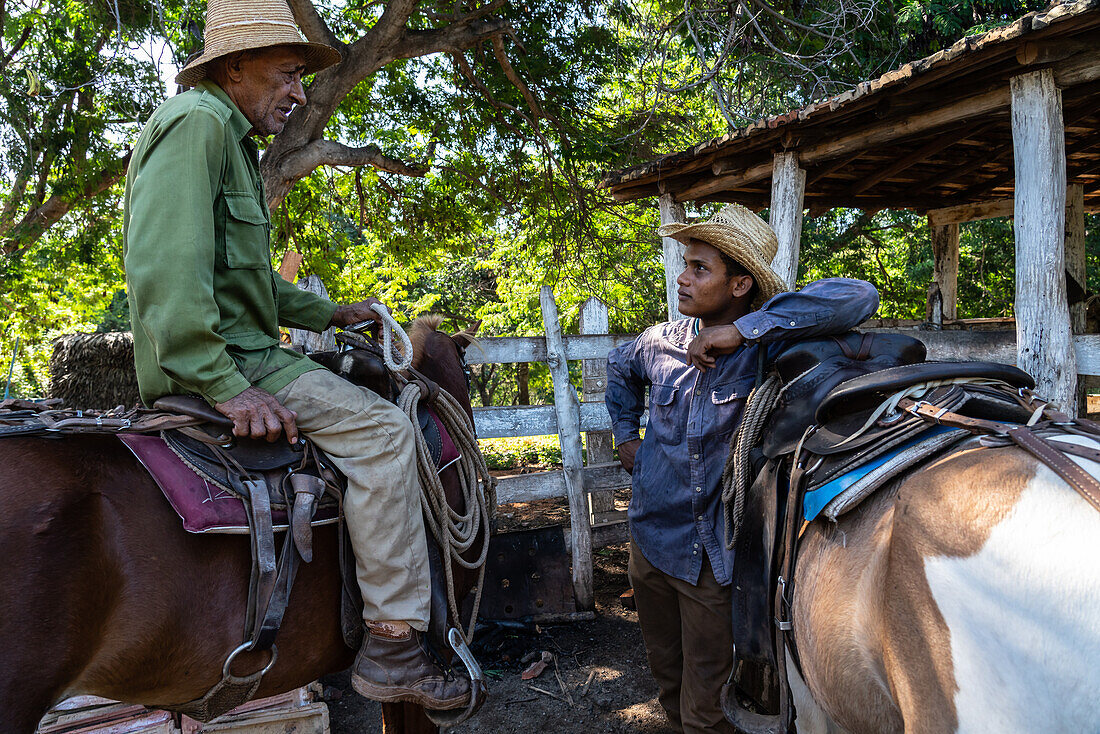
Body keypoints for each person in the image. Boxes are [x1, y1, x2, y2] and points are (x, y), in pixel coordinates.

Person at [122, 0, 470, 710]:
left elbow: (240, 282)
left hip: (241, 349)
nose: (299, 92)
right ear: (235, 67)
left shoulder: (227, 137)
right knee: (382, 432)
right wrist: (225, 385)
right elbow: (168, 273)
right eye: (287, 73)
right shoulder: (195, 127)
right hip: (235, 362)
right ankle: (395, 646)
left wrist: (327, 312)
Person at [605, 204, 878, 733]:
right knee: (666, 681)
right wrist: (625, 438)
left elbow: (858, 295)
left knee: (707, 706)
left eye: (700, 268)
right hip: (649, 543)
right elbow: (619, 368)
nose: (682, 278)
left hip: (709, 556)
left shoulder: (767, 348)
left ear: (740, 284)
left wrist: (746, 330)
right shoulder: (660, 341)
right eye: (685, 264)